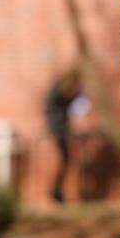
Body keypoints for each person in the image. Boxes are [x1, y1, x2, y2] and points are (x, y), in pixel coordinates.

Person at [44, 67, 82, 203]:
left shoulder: (60, 88)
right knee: (65, 159)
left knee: (65, 159)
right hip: (58, 128)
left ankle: (57, 190)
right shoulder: (62, 89)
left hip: (58, 127)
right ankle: (56, 190)